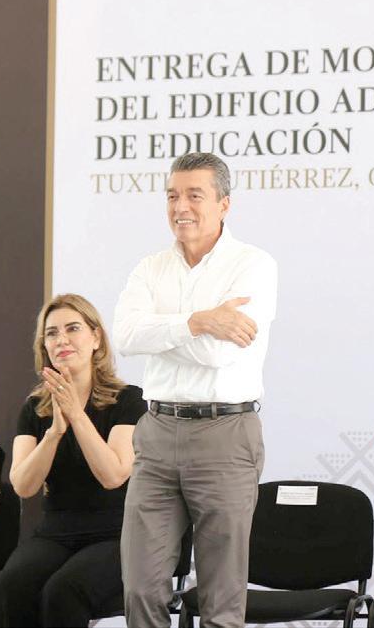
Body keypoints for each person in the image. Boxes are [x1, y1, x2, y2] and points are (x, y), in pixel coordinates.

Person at [114, 152, 277, 628]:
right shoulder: (150, 268)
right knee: (141, 586)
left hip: (225, 433)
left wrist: (164, 331)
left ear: (224, 204)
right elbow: (125, 336)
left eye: (194, 195)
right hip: (157, 432)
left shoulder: (253, 265)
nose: (180, 206)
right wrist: (200, 321)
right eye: (172, 196)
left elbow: (219, 354)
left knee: (220, 597)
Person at [0, 294, 145, 627]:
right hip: (57, 531)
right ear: (44, 346)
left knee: (62, 592)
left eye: (72, 328)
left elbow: (113, 475)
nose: (61, 340)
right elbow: (23, 485)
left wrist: (76, 415)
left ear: (96, 338)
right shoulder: (35, 408)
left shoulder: (128, 400)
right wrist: (54, 433)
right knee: (8, 590)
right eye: (51, 333)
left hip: (115, 534)